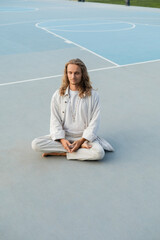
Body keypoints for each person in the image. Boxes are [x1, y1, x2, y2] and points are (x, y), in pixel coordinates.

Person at [32, 59, 113, 161]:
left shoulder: (93, 95)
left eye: (76, 73)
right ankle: (76, 150)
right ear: (66, 74)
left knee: (99, 153)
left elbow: (95, 122)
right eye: (70, 73)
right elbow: (54, 120)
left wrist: (81, 141)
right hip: (64, 136)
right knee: (36, 144)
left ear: (83, 74)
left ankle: (61, 153)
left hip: (84, 138)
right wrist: (62, 140)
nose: (73, 77)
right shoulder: (58, 95)